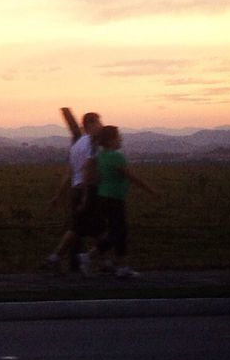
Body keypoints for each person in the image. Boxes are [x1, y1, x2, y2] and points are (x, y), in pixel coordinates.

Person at [92, 125, 158, 278]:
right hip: (115, 198)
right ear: (110, 140)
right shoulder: (116, 157)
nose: (120, 138)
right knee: (119, 232)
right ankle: (93, 258)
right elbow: (131, 177)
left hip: (103, 196)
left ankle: (117, 264)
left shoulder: (100, 156)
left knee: (117, 232)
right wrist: (150, 190)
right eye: (118, 136)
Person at [45, 111, 103, 275]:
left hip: (76, 189)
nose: (101, 126)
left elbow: (69, 172)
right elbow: (88, 170)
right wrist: (87, 193)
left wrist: (59, 194)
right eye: (99, 122)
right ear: (90, 124)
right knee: (96, 228)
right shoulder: (92, 144)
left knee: (79, 228)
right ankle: (99, 260)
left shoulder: (76, 145)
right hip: (88, 189)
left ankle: (56, 258)